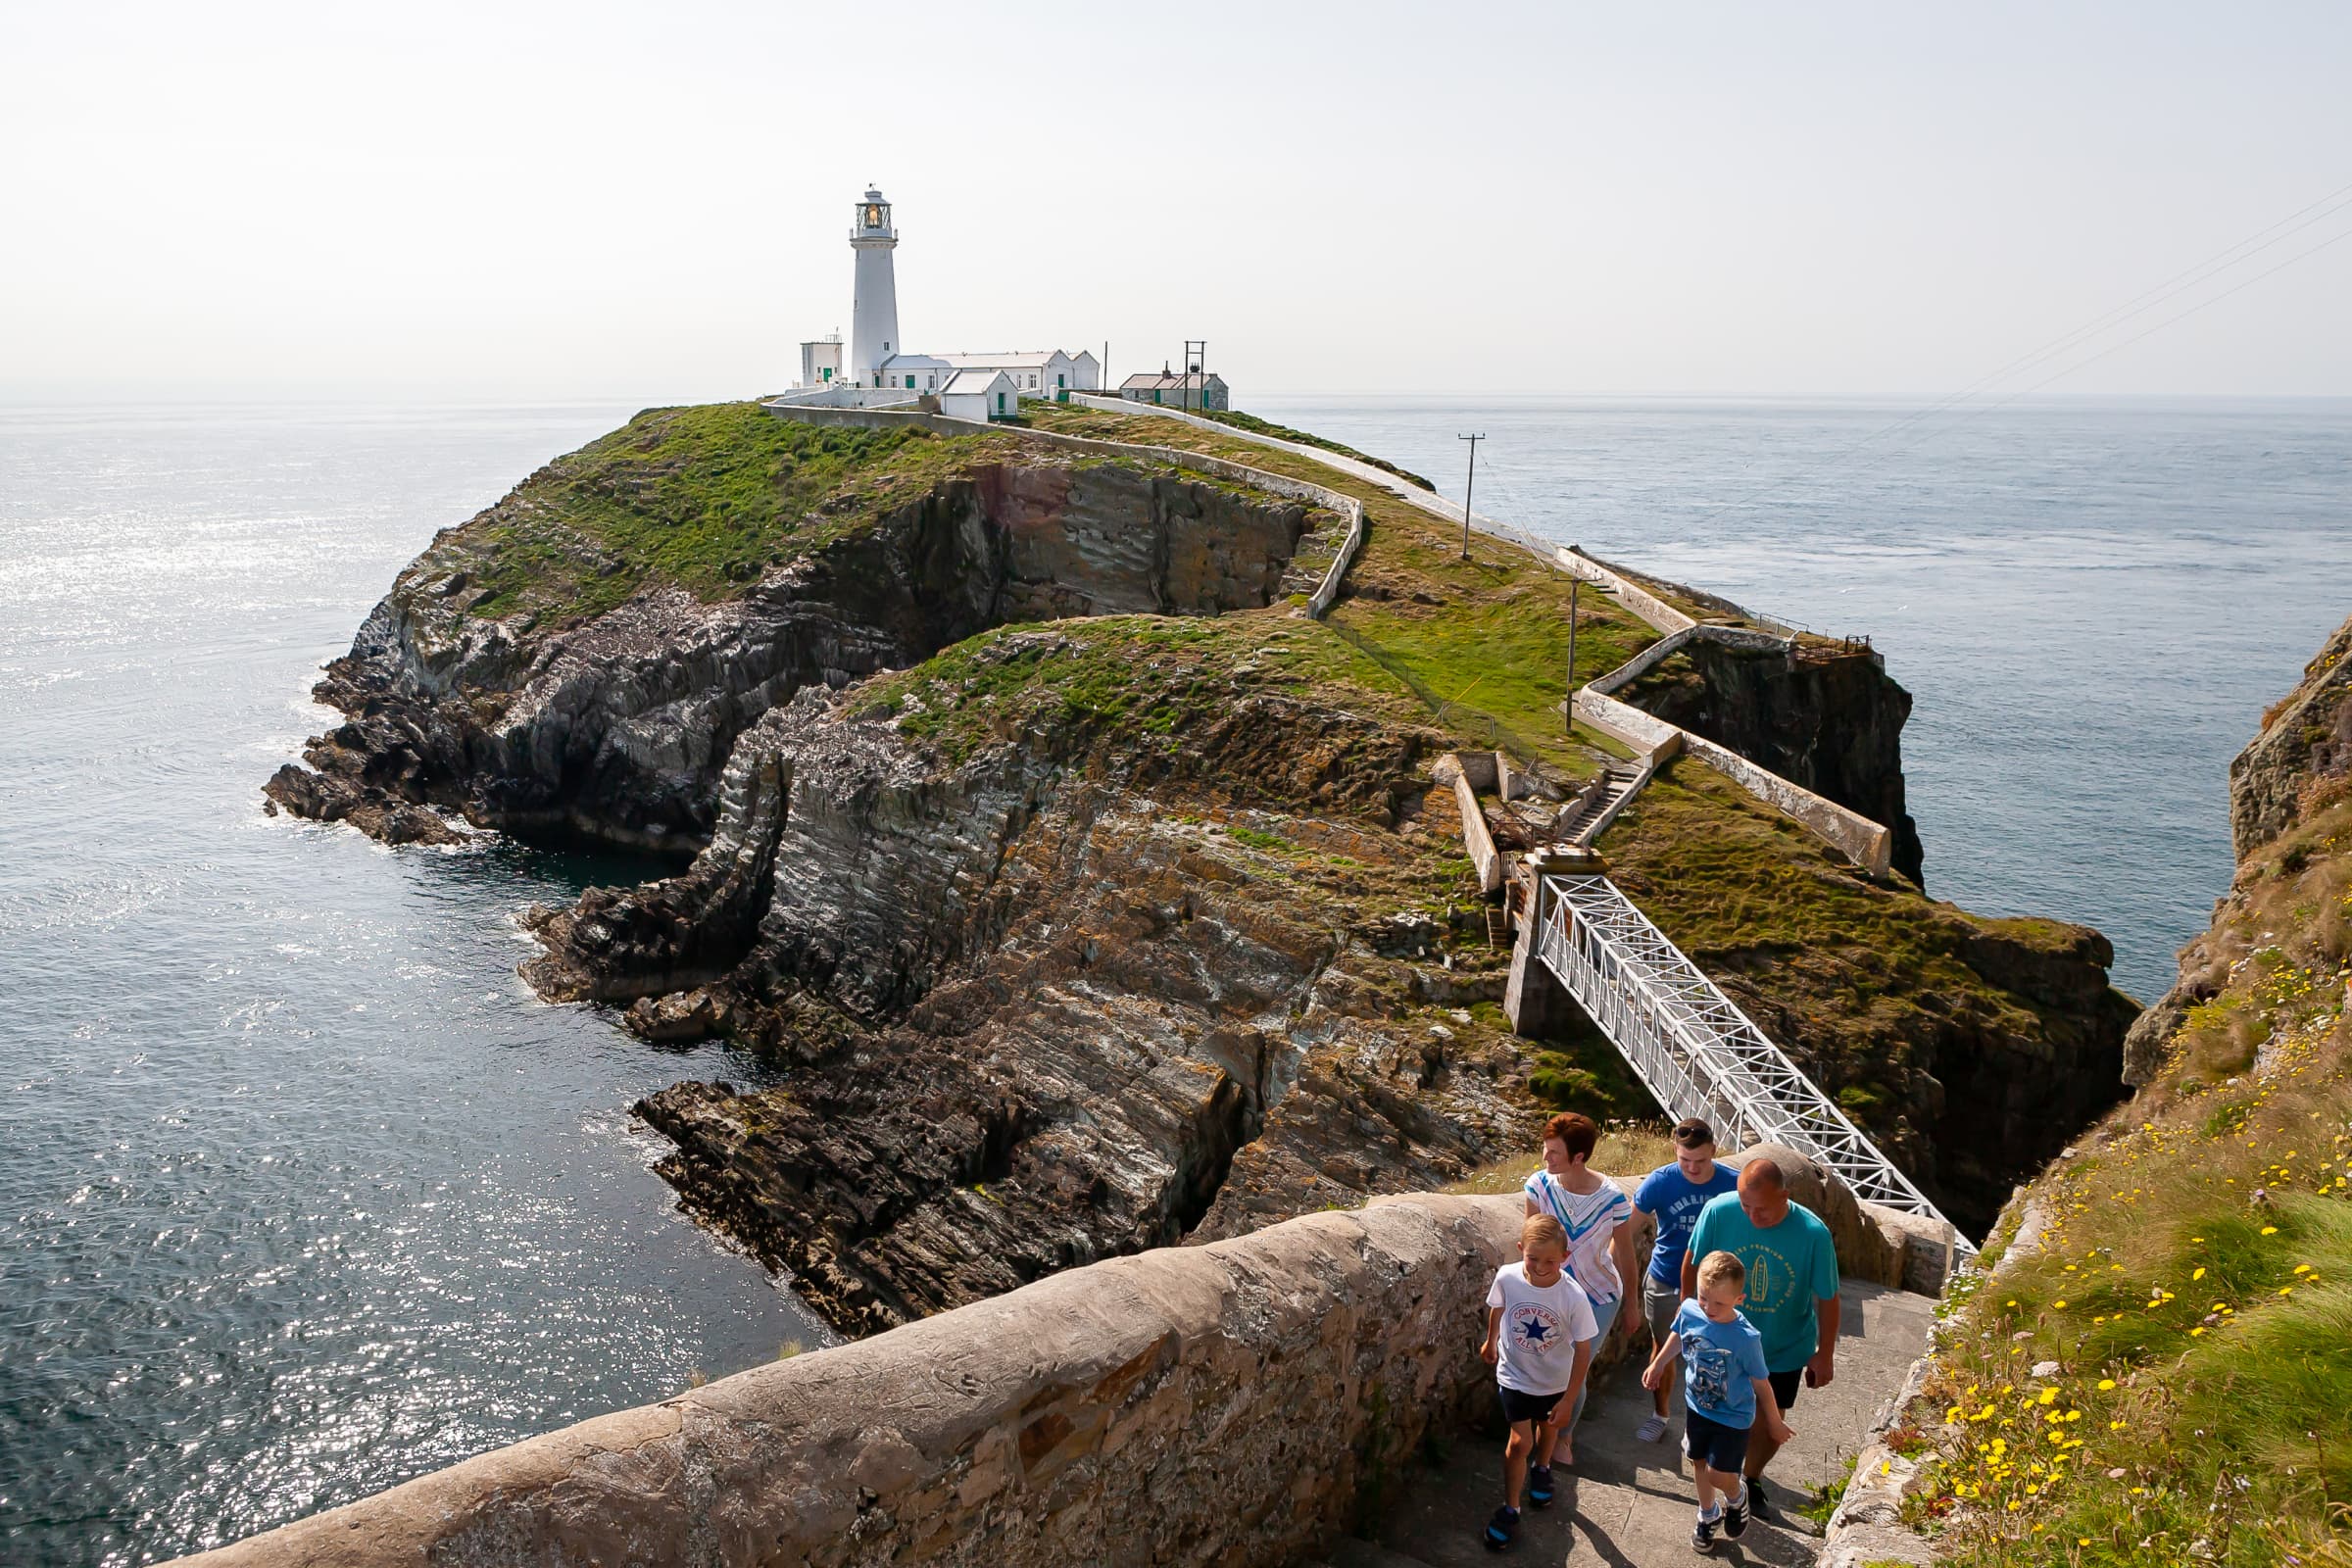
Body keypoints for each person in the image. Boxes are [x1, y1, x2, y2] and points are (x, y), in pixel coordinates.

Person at [1681, 1156, 1839, 1521]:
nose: (1752, 1217)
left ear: (1785, 1195)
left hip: (1782, 1347)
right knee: (1715, 1410)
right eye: (1745, 1206)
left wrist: (1824, 1354)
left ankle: (1750, 1477)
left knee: (1771, 1420)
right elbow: (1692, 1261)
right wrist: (1687, 1311)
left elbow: (1828, 1296)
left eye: (1762, 1209)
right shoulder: (1718, 1211)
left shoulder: (1812, 1233)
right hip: (1720, 1343)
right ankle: (1723, 1478)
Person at [1642, 1249, 1793, 1553]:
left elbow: (1761, 1384)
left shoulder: (1746, 1338)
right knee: (1697, 1462)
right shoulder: (1689, 1310)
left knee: (1717, 1474)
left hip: (1733, 1417)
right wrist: (1658, 1363)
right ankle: (1707, 1514)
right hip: (1698, 1406)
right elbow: (1678, 1335)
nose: (1709, 1308)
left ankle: (1736, 1497)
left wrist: (1775, 1423)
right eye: (1704, 1297)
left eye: (1719, 1303)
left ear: (1739, 1300)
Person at [1478, 1212, 1595, 1552]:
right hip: (1515, 1374)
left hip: (1554, 1380)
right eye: (1532, 1258)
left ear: (1565, 1257)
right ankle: (1511, 1507)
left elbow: (1584, 1349)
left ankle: (1543, 1467)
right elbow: (1498, 1307)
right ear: (1520, 1250)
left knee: (1550, 1425)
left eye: (1550, 1260)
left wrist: (1569, 1399)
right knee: (1518, 1443)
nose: (1541, 1266)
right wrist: (1491, 1340)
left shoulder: (1572, 1297)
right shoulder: (1508, 1277)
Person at [1522, 1112, 1637, 1435]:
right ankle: (1538, 1432)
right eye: (1545, 1148)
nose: (1545, 1157)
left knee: (1574, 1369)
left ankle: (1563, 1436)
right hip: (1551, 1291)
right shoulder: (1538, 1186)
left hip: (1597, 1297)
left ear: (1579, 1157)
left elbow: (1625, 1252)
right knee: (1543, 1363)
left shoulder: (1611, 1197)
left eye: (1554, 1152)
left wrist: (1631, 1305)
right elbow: (1530, 1239)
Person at [1630, 1117, 1741, 1442]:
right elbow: (1625, 1230)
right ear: (1674, 1151)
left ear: (1714, 1152)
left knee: (1715, 1357)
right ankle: (1660, 1414)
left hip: (1717, 1287)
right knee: (1662, 1348)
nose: (1692, 1169)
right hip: (1665, 1280)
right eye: (1684, 1161)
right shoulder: (1660, 1181)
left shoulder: (1734, 1184)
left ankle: (1703, 1426)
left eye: (1701, 1161)